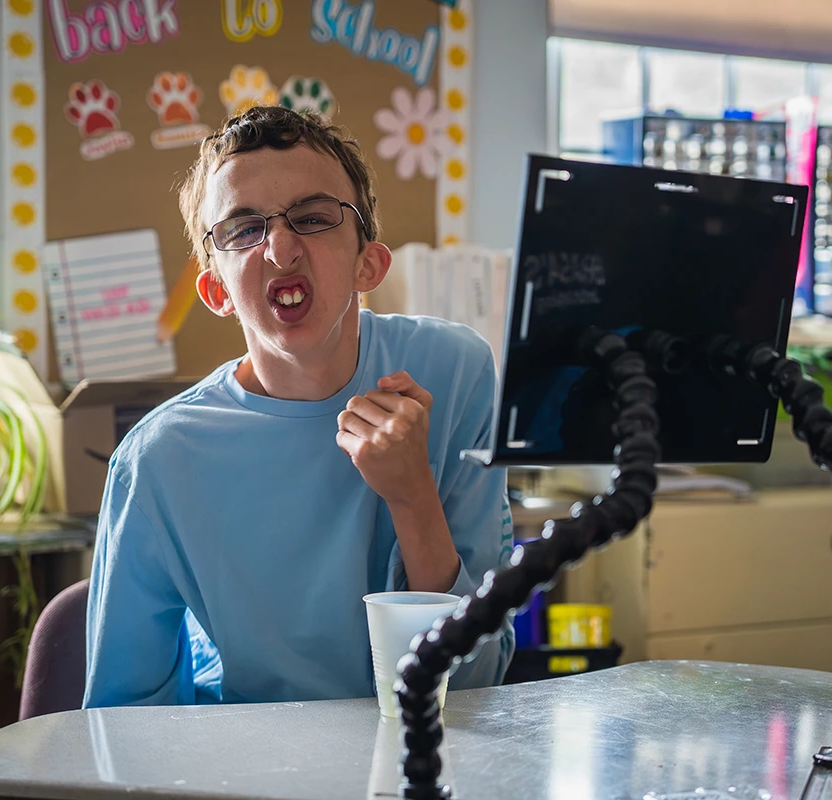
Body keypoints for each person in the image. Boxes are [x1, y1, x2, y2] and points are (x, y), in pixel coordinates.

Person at [83, 106, 514, 707]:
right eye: (242, 228)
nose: (281, 249)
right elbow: (122, 720)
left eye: (313, 218)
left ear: (370, 263)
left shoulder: (455, 372)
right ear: (217, 291)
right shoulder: (159, 460)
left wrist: (414, 496)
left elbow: (475, 682)